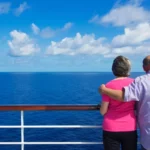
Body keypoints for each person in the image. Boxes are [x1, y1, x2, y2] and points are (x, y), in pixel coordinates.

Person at [99, 55, 150, 150]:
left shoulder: (108, 86)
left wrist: (104, 90)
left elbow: (103, 111)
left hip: (111, 127)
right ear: (128, 69)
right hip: (129, 126)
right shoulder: (134, 82)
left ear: (113, 69)